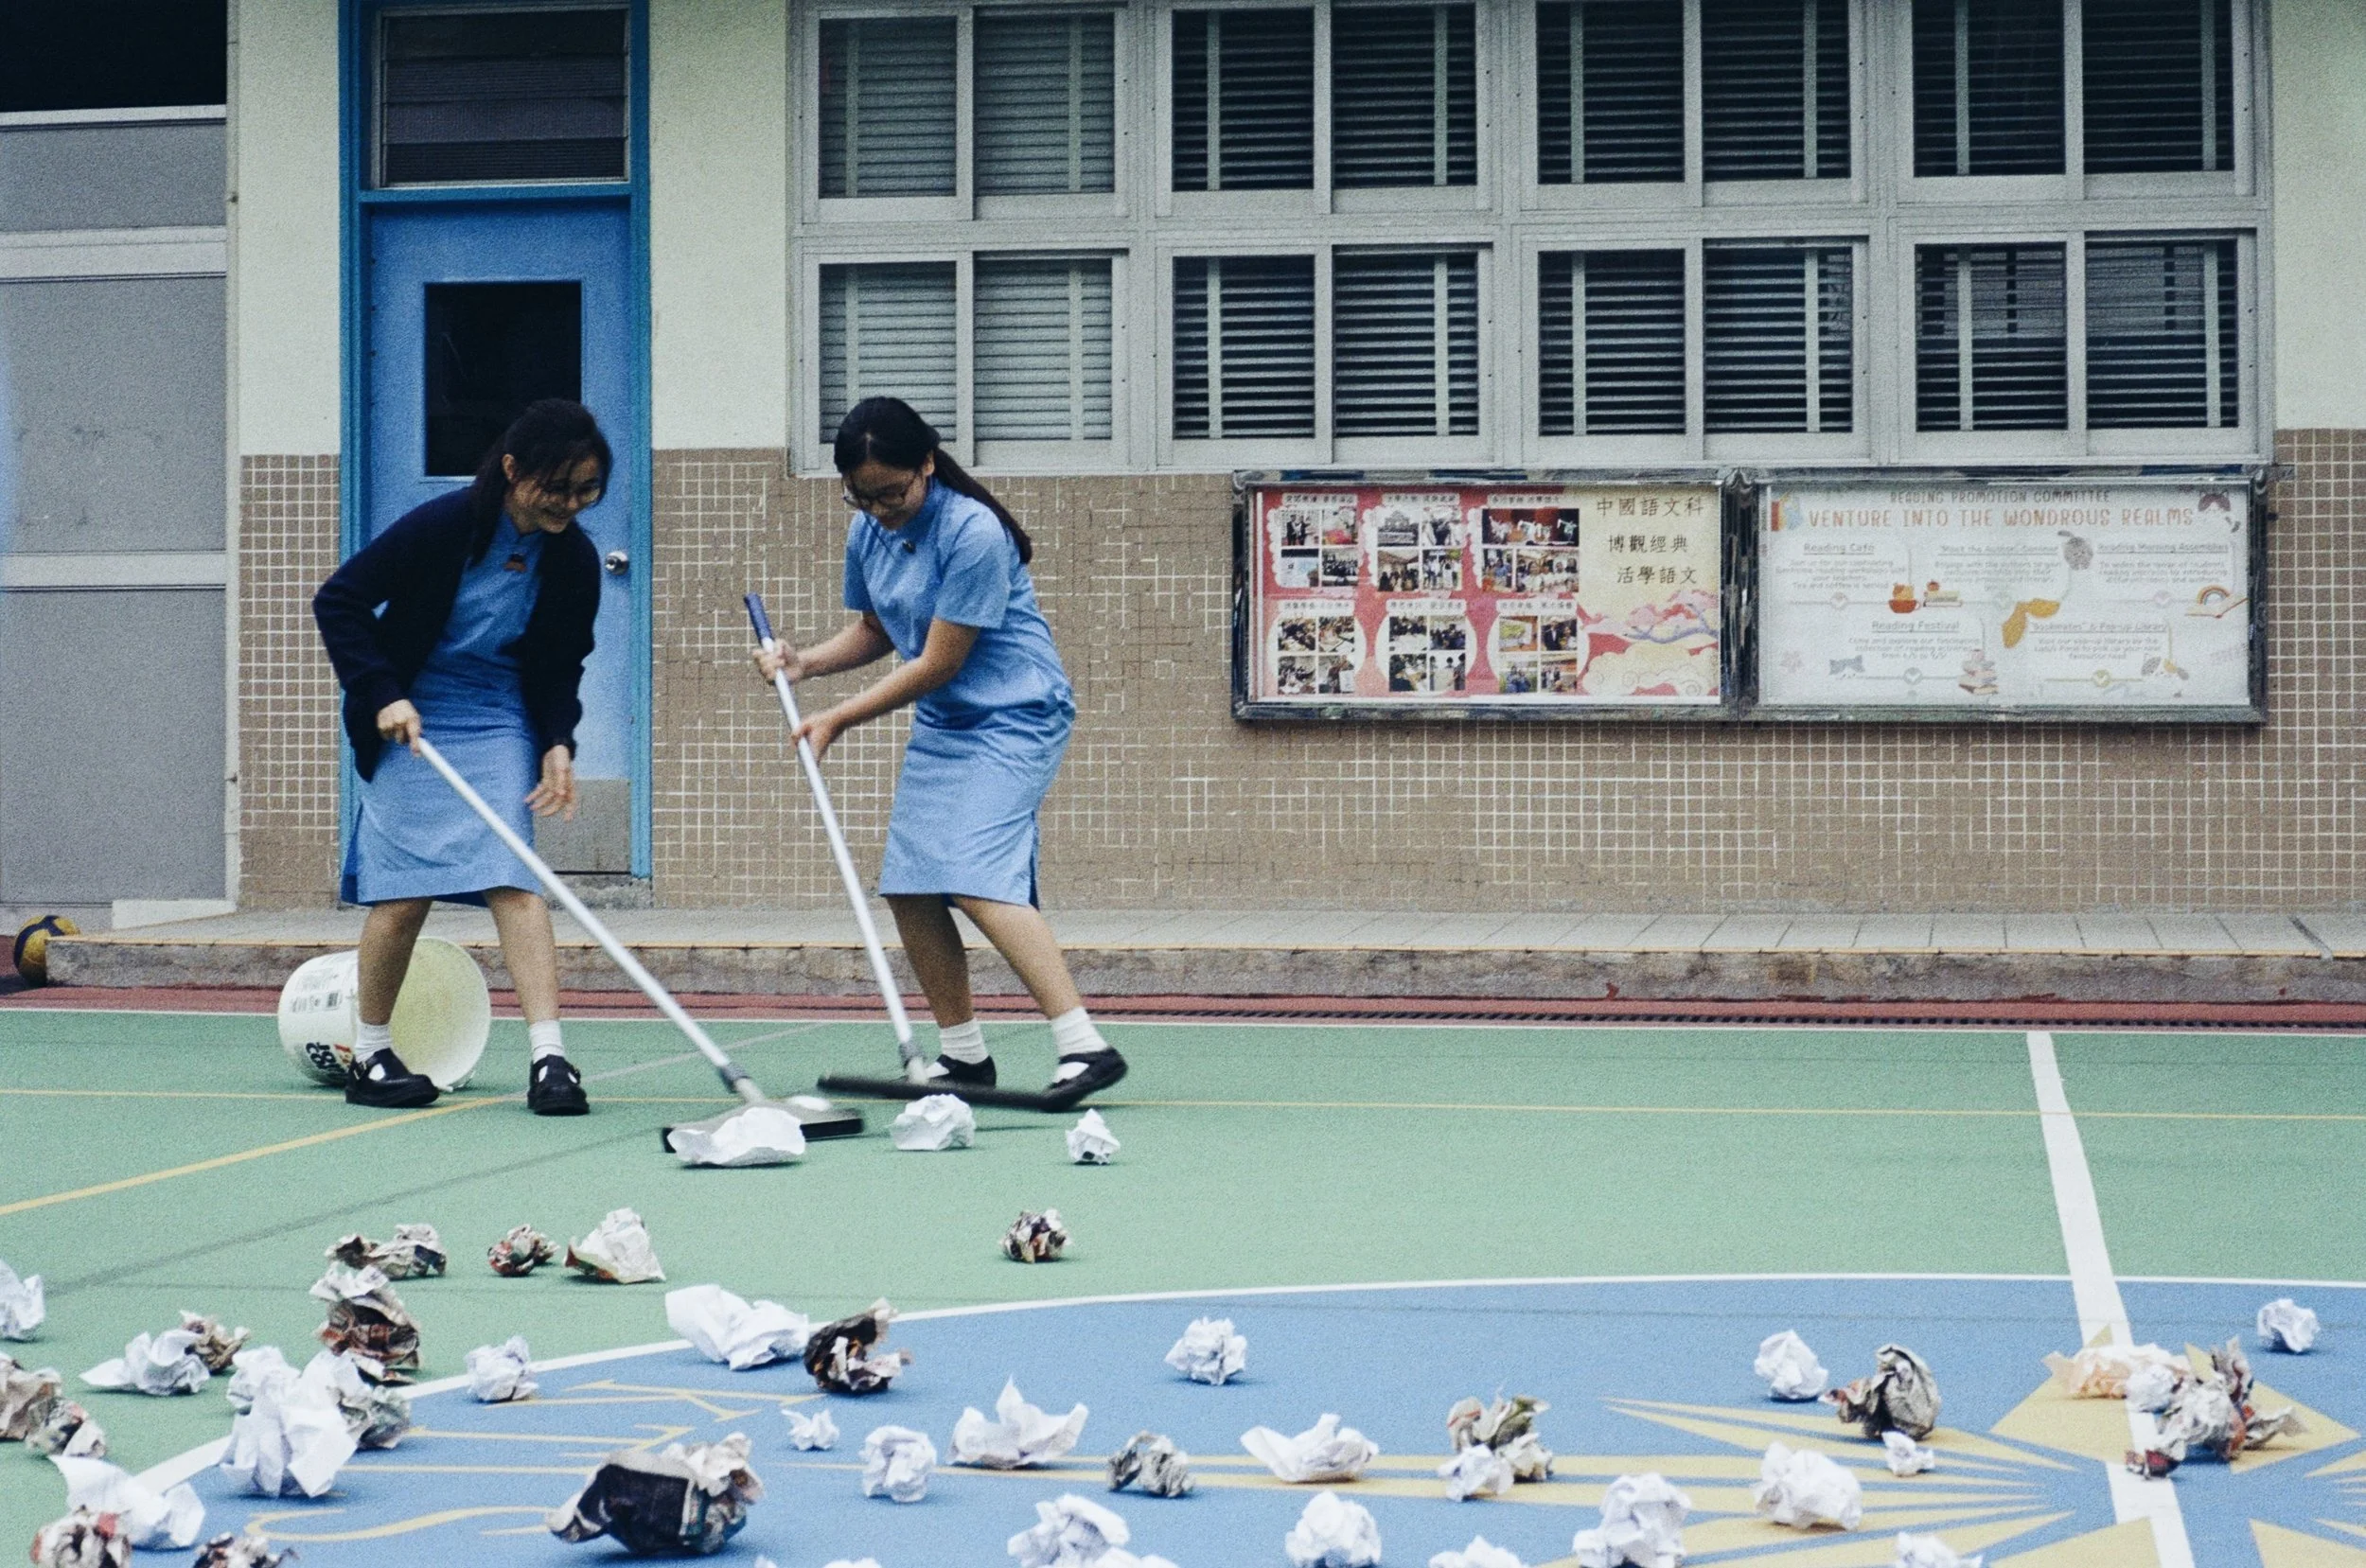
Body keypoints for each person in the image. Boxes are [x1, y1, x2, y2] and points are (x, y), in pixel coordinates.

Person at [754, 396, 1125, 1107]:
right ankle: (964, 1058)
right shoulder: (869, 531)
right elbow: (877, 628)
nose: (882, 509)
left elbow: (937, 662)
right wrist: (804, 663)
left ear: (927, 463)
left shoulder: (973, 532)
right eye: (863, 497)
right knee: (913, 885)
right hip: (948, 724)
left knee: (975, 875)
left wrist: (837, 718)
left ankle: (1085, 1044)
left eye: (893, 492)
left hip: (1017, 715)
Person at [312, 399, 609, 1115]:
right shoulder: (444, 525)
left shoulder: (572, 556)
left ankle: (550, 1059)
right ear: (512, 470)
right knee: (403, 888)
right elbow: (340, 600)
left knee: (514, 873)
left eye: (585, 489)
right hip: (408, 711)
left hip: (494, 711)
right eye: (557, 487)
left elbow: (562, 661)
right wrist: (381, 692)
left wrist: (557, 741)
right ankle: (373, 1053)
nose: (571, 503)